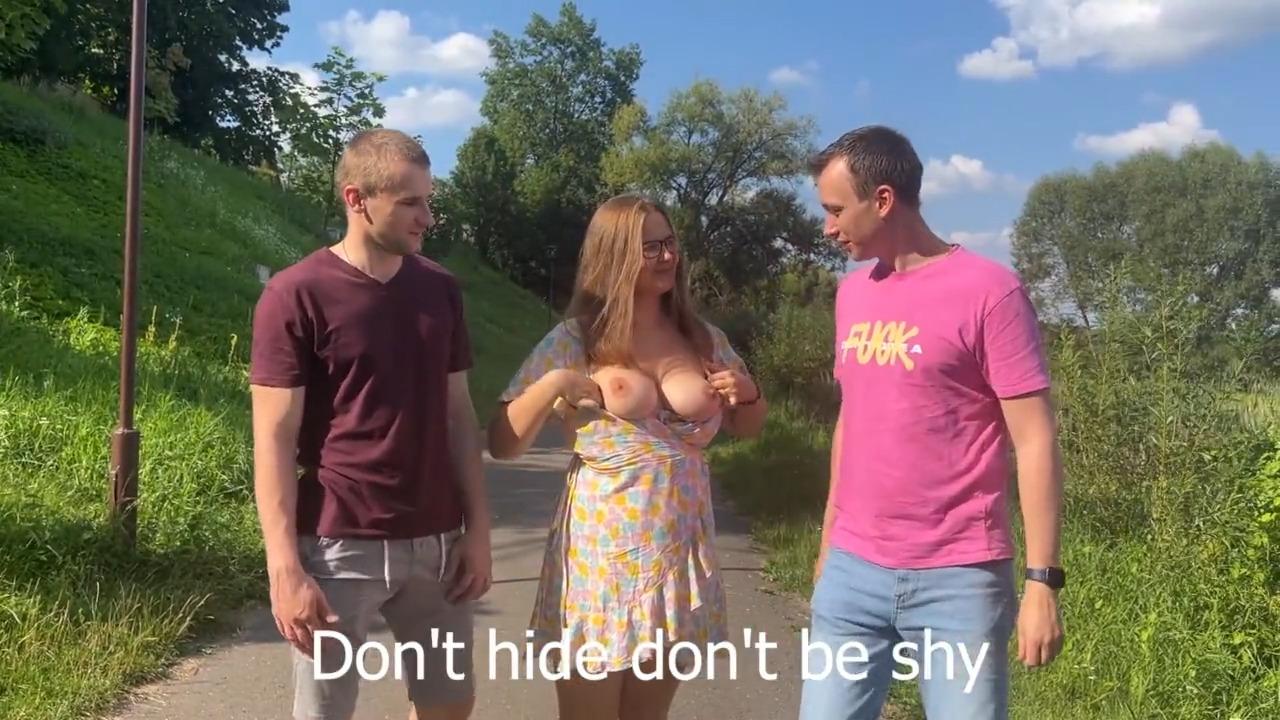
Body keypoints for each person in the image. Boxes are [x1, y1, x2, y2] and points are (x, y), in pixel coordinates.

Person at [799, 126, 1065, 720]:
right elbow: (852, 420)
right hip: (851, 573)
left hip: (959, 580)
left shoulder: (991, 293)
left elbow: (1035, 439)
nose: (828, 227)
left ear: (883, 199)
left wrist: (1042, 582)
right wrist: (827, 544)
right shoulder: (851, 295)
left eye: (836, 210)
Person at [487, 193, 768, 719]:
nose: (668, 256)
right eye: (650, 247)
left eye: (671, 242)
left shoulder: (703, 338)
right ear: (615, 255)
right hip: (599, 561)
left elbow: (748, 428)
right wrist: (554, 383)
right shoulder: (577, 338)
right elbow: (502, 442)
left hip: (678, 558)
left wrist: (748, 394)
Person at [248, 128, 492, 720]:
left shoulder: (439, 290)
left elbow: (460, 416)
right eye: (411, 202)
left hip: (436, 542)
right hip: (339, 544)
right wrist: (284, 567)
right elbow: (274, 439)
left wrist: (479, 530)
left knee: (450, 703)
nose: (427, 217)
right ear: (356, 199)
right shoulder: (295, 294)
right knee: (326, 711)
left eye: (429, 201)